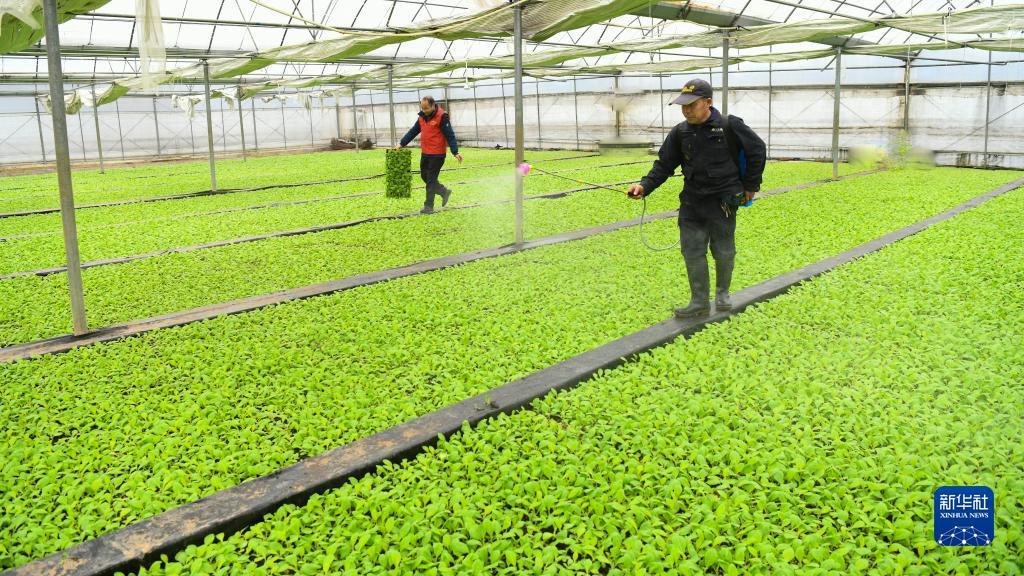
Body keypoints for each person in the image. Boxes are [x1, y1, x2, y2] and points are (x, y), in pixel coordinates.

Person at [627, 78, 766, 318]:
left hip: (722, 201)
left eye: (691, 105)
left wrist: (751, 185)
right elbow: (664, 165)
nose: (686, 110)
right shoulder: (681, 132)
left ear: (708, 102)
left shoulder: (729, 125)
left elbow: (757, 150)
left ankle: (722, 294)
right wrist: (644, 186)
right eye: (683, 106)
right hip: (692, 202)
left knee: (723, 250)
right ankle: (699, 302)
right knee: (692, 250)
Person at [396, 96, 463, 214]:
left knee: (431, 180)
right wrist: (401, 143)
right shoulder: (422, 117)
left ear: (433, 105)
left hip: (437, 154)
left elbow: (450, 134)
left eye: (426, 108)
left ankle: (428, 206)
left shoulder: (442, 116)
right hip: (425, 153)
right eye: (422, 108)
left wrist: (455, 151)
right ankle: (444, 192)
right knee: (424, 177)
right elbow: (413, 131)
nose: (424, 111)